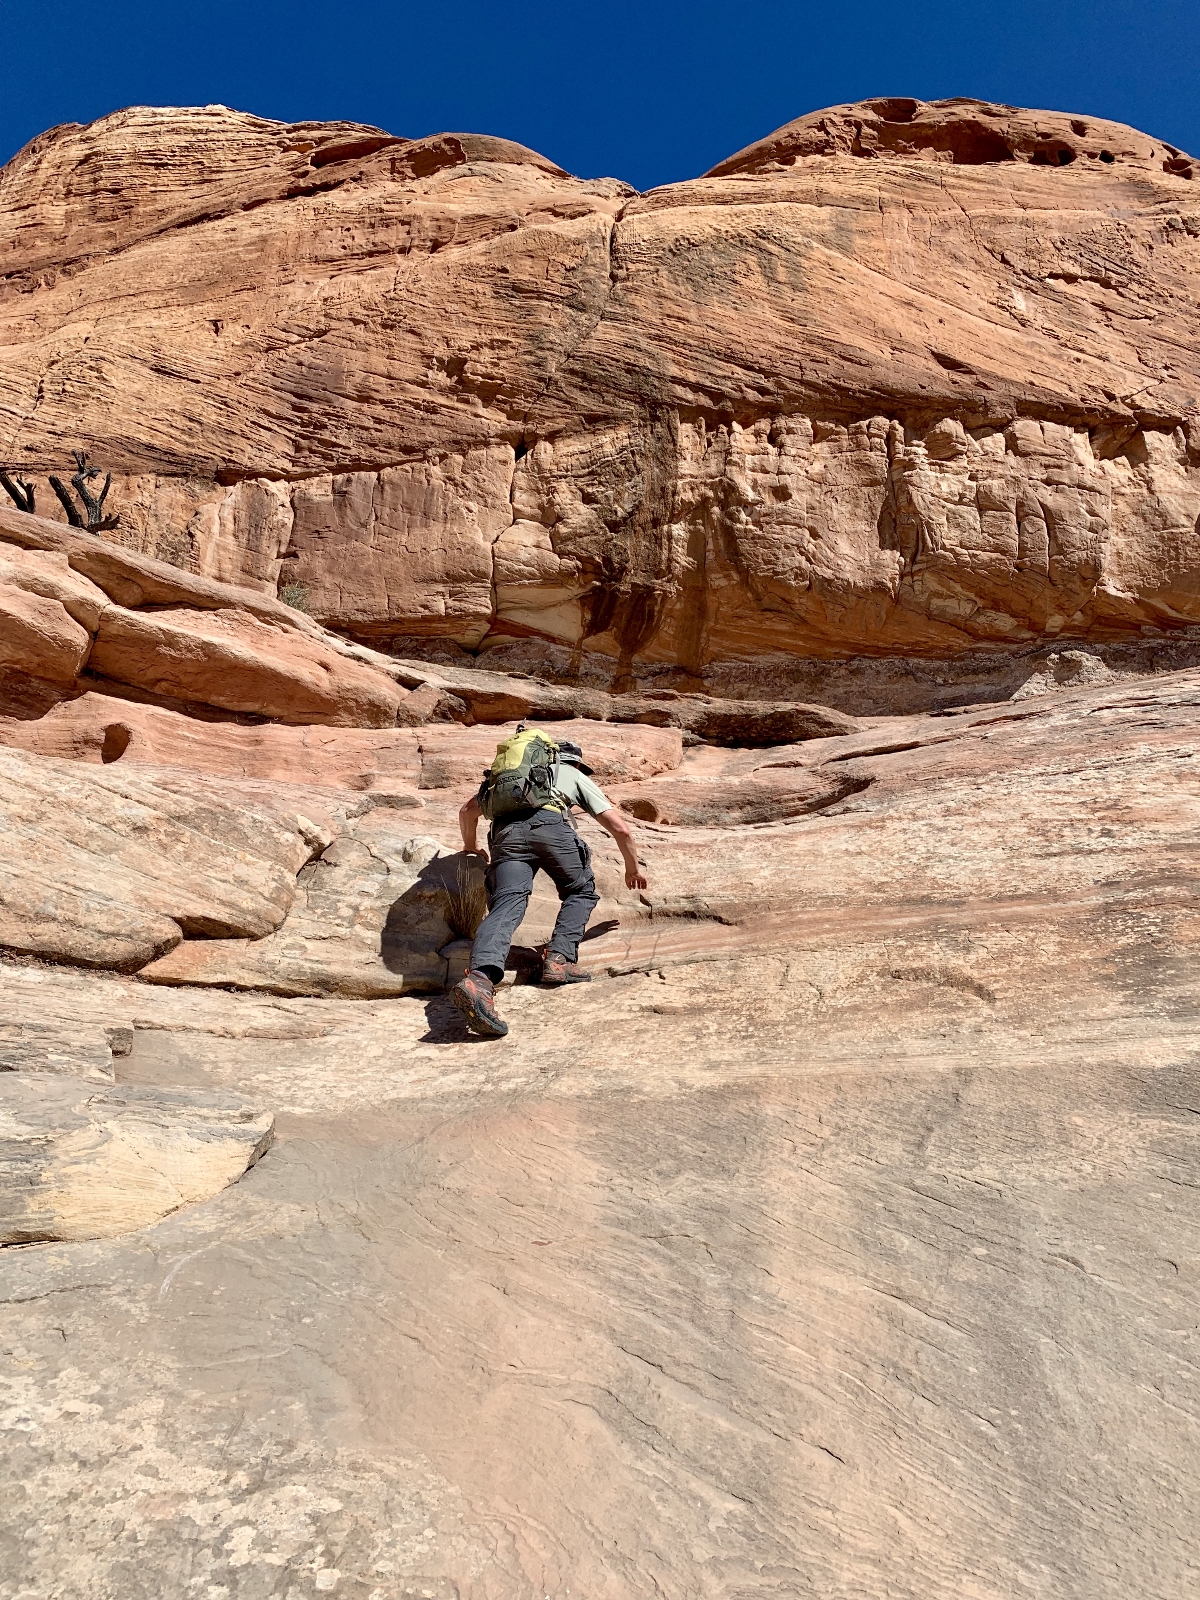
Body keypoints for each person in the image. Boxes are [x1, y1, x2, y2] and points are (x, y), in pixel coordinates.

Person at [451, 738, 648, 1038]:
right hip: (550, 828)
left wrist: (471, 847)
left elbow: (467, 812)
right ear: (574, 763)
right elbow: (621, 829)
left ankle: (479, 980)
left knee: (507, 904)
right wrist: (632, 868)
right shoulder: (571, 774)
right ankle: (559, 960)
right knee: (580, 891)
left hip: (506, 834)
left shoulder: (507, 779)